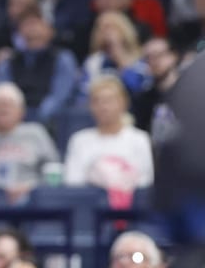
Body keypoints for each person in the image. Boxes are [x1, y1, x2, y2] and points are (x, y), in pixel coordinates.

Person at [64, 76, 154, 206]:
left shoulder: (140, 139)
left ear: (123, 103)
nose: (103, 107)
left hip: (132, 210)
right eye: (96, 101)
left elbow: (145, 182)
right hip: (89, 209)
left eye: (109, 101)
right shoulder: (79, 140)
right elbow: (73, 184)